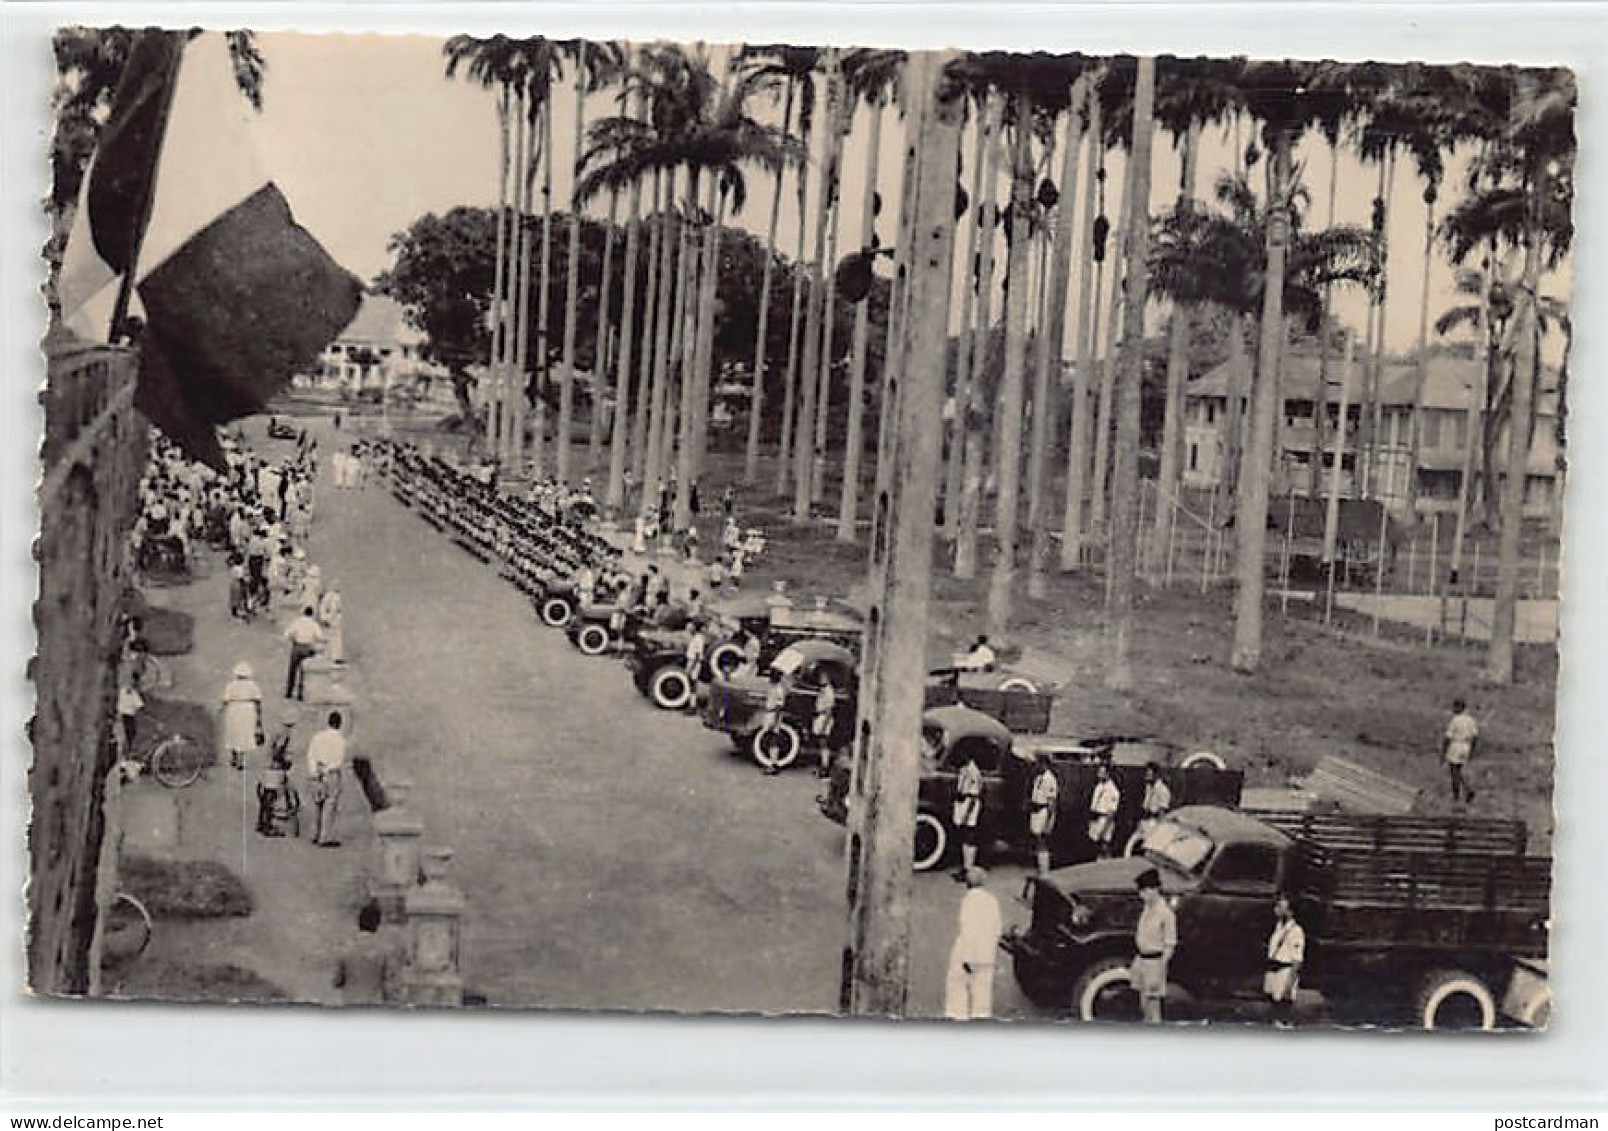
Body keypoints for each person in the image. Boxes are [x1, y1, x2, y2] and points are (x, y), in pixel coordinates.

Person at [943, 866, 1002, 1020]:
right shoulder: (992, 900)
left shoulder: (969, 901)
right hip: (987, 954)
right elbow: (997, 929)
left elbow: (968, 929)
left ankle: (958, 1018)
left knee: (957, 986)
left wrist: (967, 958)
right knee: (983, 995)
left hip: (968, 953)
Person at [333, 901, 400, 1005]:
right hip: (374, 1006)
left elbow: (336, 981)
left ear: (359, 923)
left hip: (350, 1005)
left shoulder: (346, 949)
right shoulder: (385, 951)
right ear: (377, 924)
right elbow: (390, 985)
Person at [1132, 867, 1176, 1024]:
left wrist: (1160, 970)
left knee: (1153, 1005)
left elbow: (1170, 945)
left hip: (1155, 962)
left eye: (1145, 891)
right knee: (1143, 1003)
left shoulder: (1166, 914)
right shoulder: (1147, 908)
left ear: (1155, 889)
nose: (1142, 895)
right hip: (1142, 960)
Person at [1264, 893, 1306, 1027]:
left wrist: (1290, 983)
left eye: (1281, 907)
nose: (1277, 910)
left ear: (1290, 911)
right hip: (1273, 968)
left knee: (1283, 1002)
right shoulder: (1278, 927)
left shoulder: (1296, 931)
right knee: (1273, 999)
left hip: (1285, 969)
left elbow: (1297, 959)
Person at [307, 710, 348, 847]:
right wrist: (326, 771)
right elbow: (338, 761)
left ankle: (314, 833)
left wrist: (314, 772)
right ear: (340, 724)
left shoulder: (318, 737)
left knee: (317, 803)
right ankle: (325, 836)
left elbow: (311, 755)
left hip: (316, 773)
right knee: (330, 804)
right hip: (331, 774)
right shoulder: (340, 740)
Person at [219, 661, 264, 772]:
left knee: (234, 733)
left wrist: (221, 710)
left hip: (234, 709)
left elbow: (225, 700)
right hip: (247, 710)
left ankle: (234, 757)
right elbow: (258, 701)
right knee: (244, 734)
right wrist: (259, 717)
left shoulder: (231, 685)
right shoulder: (253, 685)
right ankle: (241, 759)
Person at [256, 718, 296, 837]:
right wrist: (285, 763)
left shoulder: (275, 728)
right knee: (271, 796)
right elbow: (277, 751)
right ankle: (268, 826)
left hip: (266, 765)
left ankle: (261, 822)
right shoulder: (284, 733)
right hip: (273, 767)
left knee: (265, 795)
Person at [952, 750, 984, 876]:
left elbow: (974, 795)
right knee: (963, 836)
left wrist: (967, 813)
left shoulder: (973, 771)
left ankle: (968, 868)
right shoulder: (963, 769)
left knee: (969, 835)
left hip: (969, 803)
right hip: (961, 803)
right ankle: (964, 866)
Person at [283, 606, 324, 700]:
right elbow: (320, 637)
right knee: (304, 672)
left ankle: (289, 692)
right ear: (312, 614)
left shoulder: (297, 622)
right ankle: (301, 694)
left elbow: (287, 634)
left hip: (297, 647)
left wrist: (293, 638)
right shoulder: (314, 624)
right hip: (308, 648)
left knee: (292, 670)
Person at [1027, 753, 1059, 876]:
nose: (1036, 766)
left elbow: (1051, 802)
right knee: (1036, 839)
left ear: (1044, 764)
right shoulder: (1038, 778)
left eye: (1038, 763)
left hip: (1043, 811)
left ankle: (1044, 870)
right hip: (1035, 810)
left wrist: (1049, 821)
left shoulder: (1050, 779)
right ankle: (1039, 868)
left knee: (1042, 841)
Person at [1443, 698, 1479, 805]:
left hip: (1456, 745)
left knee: (1454, 771)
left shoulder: (1455, 720)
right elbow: (1475, 736)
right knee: (1458, 770)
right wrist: (1472, 750)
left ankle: (1457, 795)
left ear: (1459, 708)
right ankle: (1466, 790)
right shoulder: (1471, 720)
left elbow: (1448, 737)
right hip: (1466, 746)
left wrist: (1444, 751)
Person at [1088, 762, 1121, 857]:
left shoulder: (1113, 790)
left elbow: (1111, 812)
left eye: (1102, 772)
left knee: (1104, 846)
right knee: (1095, 846)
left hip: (1105, 819)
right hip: (1096, 818)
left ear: (1108, 774)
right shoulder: (1099, 786)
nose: (1099, 774)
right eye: (1099, 771)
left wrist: (1104, 829)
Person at [759, 670, 788, 777]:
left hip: (773, 715)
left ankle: (774, 764)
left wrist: (775, 721)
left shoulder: (779, 690)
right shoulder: (774, 687)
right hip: (770, 713)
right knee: (770, 739)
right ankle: (772, 763)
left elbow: (779, 707)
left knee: (773, 740)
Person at [1137, 763, 1173, 846]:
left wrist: (1159, 830)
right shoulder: (1148, 787)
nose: (1146, 776)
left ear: (1156, 775)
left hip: (1154, 821)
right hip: (1145, 820)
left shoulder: (1163, 790)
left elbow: (1162, 811)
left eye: (1149, 774)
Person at [811, 678, 838, 778]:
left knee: (824, 743)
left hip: (824, 718)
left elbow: (829, 710)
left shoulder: (829, 692)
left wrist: (824, 725)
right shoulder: (822, 690)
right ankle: (821, 766)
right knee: (820, 743)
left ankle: (825, 767)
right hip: (819, 716)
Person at [318, 582, 346, 664]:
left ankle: (337, 657)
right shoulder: (329, 596)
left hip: (336, 620)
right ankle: (329, 657)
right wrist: (324, 619)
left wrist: (339, 616)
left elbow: (339, 608)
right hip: (330, 619)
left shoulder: (337, 596)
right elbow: (322, 607)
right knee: (330, 638)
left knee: (337, 639)